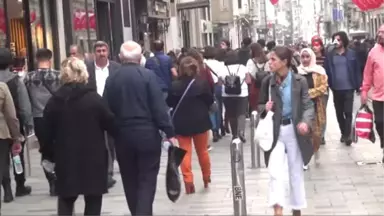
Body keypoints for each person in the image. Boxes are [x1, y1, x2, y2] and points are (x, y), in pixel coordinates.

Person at [104, 41, 176, 215]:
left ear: (120, 57)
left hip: (123, 135)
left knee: (129, 180)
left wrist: (114, 131)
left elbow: (106, 109)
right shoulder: (148, 76)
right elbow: (158, 108)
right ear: (140, 58)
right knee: (147, 179)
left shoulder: (112, 78)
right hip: (147, 135)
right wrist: (169, 132)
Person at [42, 57, 115, 216]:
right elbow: (111, 124)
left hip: (65, 155)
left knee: (66, 197)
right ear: (84, 73)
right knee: (93, 197)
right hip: (93, 156)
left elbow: (46, 131)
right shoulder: (94, 99)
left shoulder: (55, 101)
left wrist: (47, 154)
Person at [258, 46, 314, 216]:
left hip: (294, 130)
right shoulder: (267, 81)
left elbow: (308, 105)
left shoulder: (299, 81)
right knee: (275, 171)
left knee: (295, 171)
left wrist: (305, 122)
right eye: (269, 59)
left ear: (285, 62)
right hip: (275, 131)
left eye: (273, 59)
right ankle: (278, 209)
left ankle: (296, 208)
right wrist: (264, 108)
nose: (270, 62)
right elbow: (259, 104)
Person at [166, 56, 213, 194]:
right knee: (202, 151)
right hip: (200, 121)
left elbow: (169, 103)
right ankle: (206, 176)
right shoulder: (202, 83)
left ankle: (188, 181)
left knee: (184, 152)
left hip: (181, 122)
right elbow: (209, 100)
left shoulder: (174, 85)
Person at [24, 48, 61, 196]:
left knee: (45, 150)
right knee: (58, 147)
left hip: (38, 117)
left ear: (36, 59)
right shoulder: (58, 76)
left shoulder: (28, 78)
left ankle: (51, 179)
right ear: (50, 59)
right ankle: (59, 176)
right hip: (57, 117)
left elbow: (26, 101)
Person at [85, 41, 120, 188]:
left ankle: (109, 172)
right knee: (98, 141)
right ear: (94, 53)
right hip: (93, 109)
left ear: (108, 52)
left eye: (103, 50)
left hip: (111, 108)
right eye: (98, 50)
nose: (101, 53)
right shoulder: (87, 69)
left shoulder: (116, 68)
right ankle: (103, 171)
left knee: (111, 142)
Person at [0, 48, 33, 201]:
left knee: (2, 160)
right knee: (17, 154)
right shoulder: (15, 81)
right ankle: (20, 184)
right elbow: (24, 105)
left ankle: (6, 188)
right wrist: (28, 123)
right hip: (14, 123)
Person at [324, 31, 362, 146]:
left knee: (348, 112)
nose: (337, 42)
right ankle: (343, 133)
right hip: (336, 88)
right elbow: (327, 70)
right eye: (335, 39)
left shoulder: (351, 54)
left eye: (339, 39)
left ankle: (347, 135)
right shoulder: (330, 55)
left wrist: (359, 85)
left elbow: (357, 70)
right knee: (339, 113)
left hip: (349, 88)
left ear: (344, 41)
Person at [298, 48, 328, 164]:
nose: (305, 59)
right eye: (303, 57)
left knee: (317, 132)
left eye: (307, 57)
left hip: (316, 105)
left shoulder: (319, 71)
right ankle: (306, 154)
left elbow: (323, 87)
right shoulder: (297, 72)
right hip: (302, 106)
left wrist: (309, 93)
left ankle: (316, 150)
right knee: (304, 131)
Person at [361, 24, 384, 163]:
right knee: (380, 122)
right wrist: (364, 90)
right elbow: (368, 74)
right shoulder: (373, 52)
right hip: (378, 97)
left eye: (383, 33)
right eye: (379, 33)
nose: (380, 35)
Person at [0, 82, 22, 214]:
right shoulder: (2, 87)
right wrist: (16, 137)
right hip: (1, 135)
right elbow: (11, 115)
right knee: (2, 165)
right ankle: (7, 190)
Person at [218, 51, 251, 142]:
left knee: (231, 114)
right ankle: (241, 131)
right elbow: (248, 81)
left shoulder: (223, 69)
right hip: (242, 93)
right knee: (241, 113)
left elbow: (220, 83)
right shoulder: (243, 68)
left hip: (227, 94)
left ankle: (234, 134)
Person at [204, 46, 226, 142]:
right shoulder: (220, 64)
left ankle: (214, 130)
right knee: (219, 108)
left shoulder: (203, 64)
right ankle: (220, 127)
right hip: (217, 86)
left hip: (207, 87)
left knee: (211, 109)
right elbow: (222, 77)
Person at [311, 36, 328, 145]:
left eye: (317, 45)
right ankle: (314, 135)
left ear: (321, 46)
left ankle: (321, 135)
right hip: (311, 90)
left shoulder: (326, 59)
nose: (315, 47)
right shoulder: (309, 59)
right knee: (312, 112)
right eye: (313, 44)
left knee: (322, 112)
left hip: (323, 89)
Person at [246, 43, 270, 113]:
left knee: (254, 108)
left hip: (254, 86)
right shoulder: (267, 61)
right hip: (266, 86)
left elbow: (249, 75)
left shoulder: (250, 61)